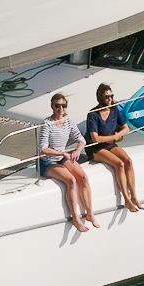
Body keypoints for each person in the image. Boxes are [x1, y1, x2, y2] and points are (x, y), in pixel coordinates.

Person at [37, 93, 97, 232]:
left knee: (83, 177)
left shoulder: (68, 121)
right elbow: (43, 148)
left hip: (61, 156)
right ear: (52, 106)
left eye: (63, 106)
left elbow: (81, 139)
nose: (60, 109)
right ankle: (75, 218)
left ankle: (90, 213)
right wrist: (62, 153)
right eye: (57, 106)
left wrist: (77, 151)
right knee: (71, 180)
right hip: (48, 160)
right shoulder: (47, 124)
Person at [84, 83, 142, 212]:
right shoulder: (93, 114)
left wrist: (117, 136)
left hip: (109, 143)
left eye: (111, 96)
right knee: (119, 164)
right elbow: (95, 138)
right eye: (106, 97)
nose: (110, 99)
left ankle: (134, 196)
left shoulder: (114, 109)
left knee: (128, 161)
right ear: (100, 98)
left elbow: (126, 128)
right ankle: (126, 199)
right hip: (95, 148)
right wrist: (113, 137)